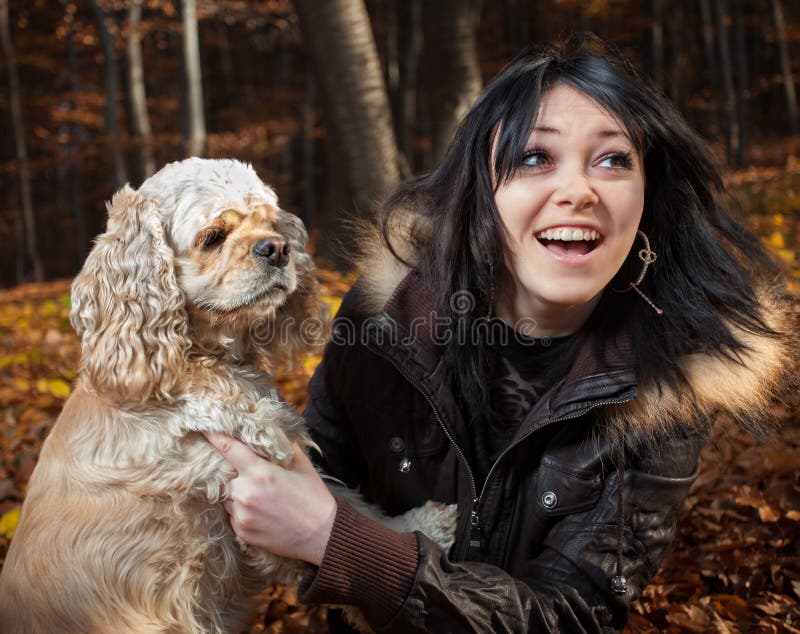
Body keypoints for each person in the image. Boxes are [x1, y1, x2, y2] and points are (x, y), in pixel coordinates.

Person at [205, 35, 790, 632]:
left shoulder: (670, 382)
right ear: (483, 190)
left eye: (613, 159)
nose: (578, 191)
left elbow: (570, 615)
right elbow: (313, 464)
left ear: (648, 198)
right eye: (536, 157)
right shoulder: (389, 312)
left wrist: (341, 543)